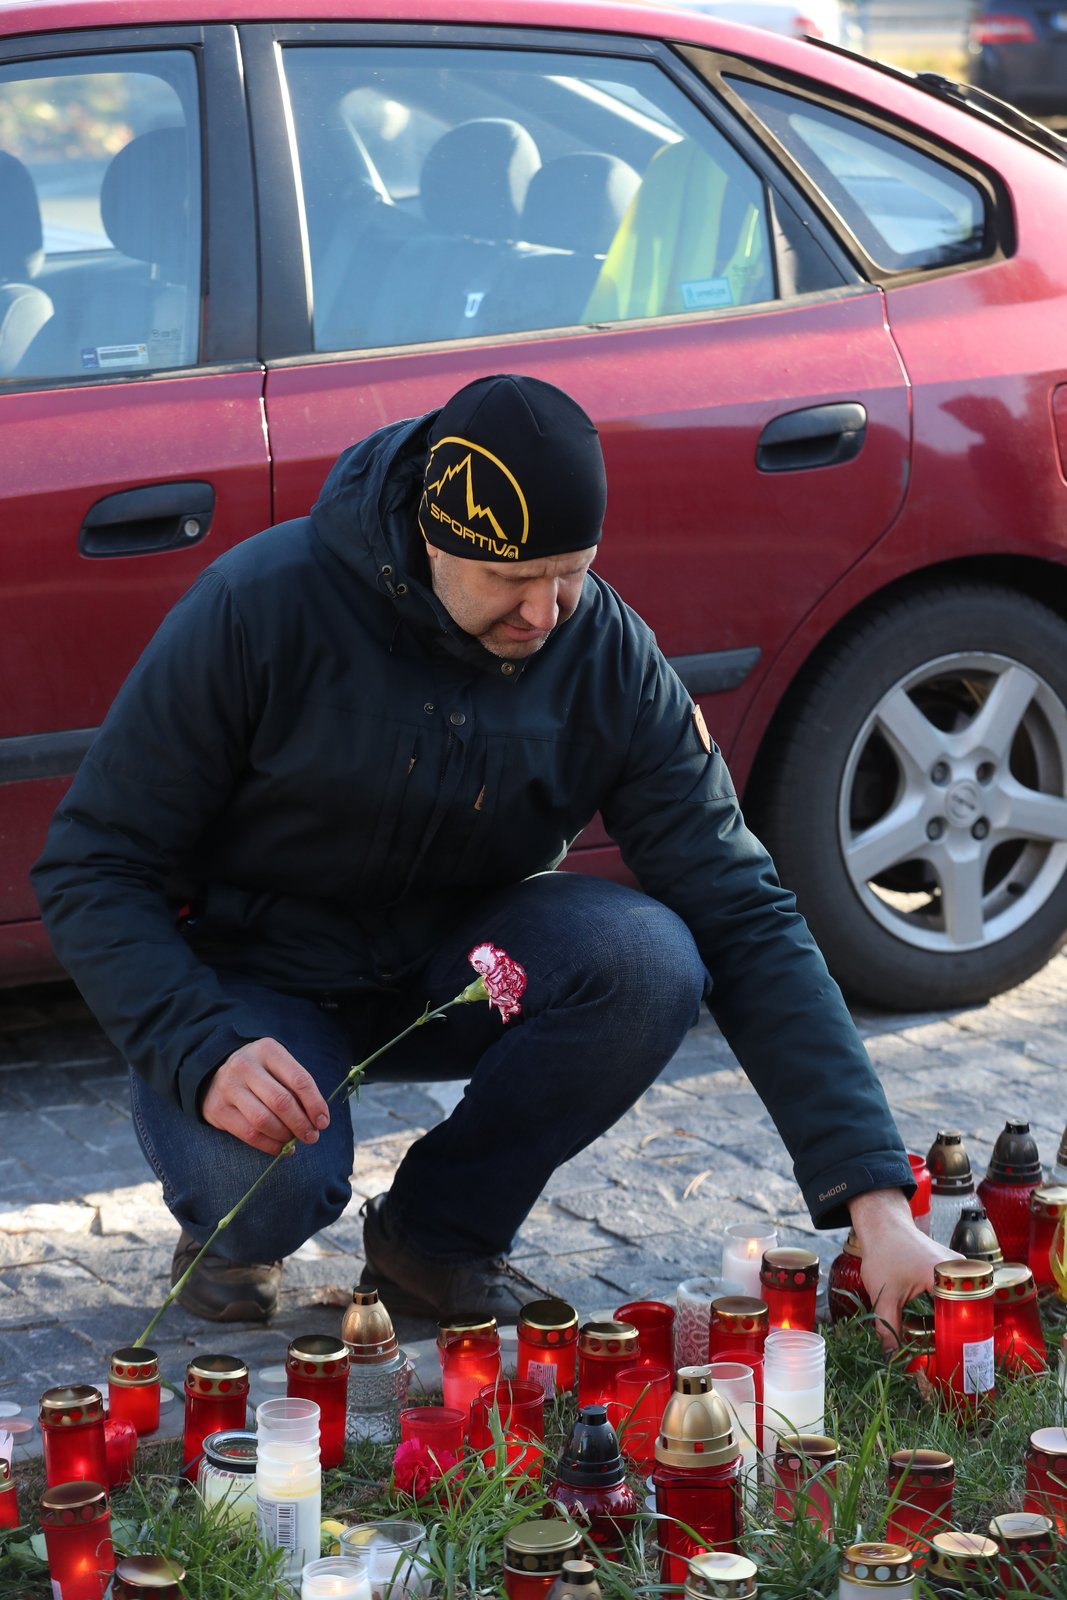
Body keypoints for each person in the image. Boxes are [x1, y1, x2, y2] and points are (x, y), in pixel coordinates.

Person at [32, 373, 945, 1338]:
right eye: (513, 579)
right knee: (263, 1186)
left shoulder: (604, 654)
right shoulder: (258, 607)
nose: (547, 612)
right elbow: (92, 862)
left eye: (573, 571)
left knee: (649, 958)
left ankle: (437, 1237)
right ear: (435, 538)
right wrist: (198, 1047)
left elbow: (743, 908)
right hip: (259, 983)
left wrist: (875, 1202)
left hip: (461, 966)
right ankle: (232, 1233)